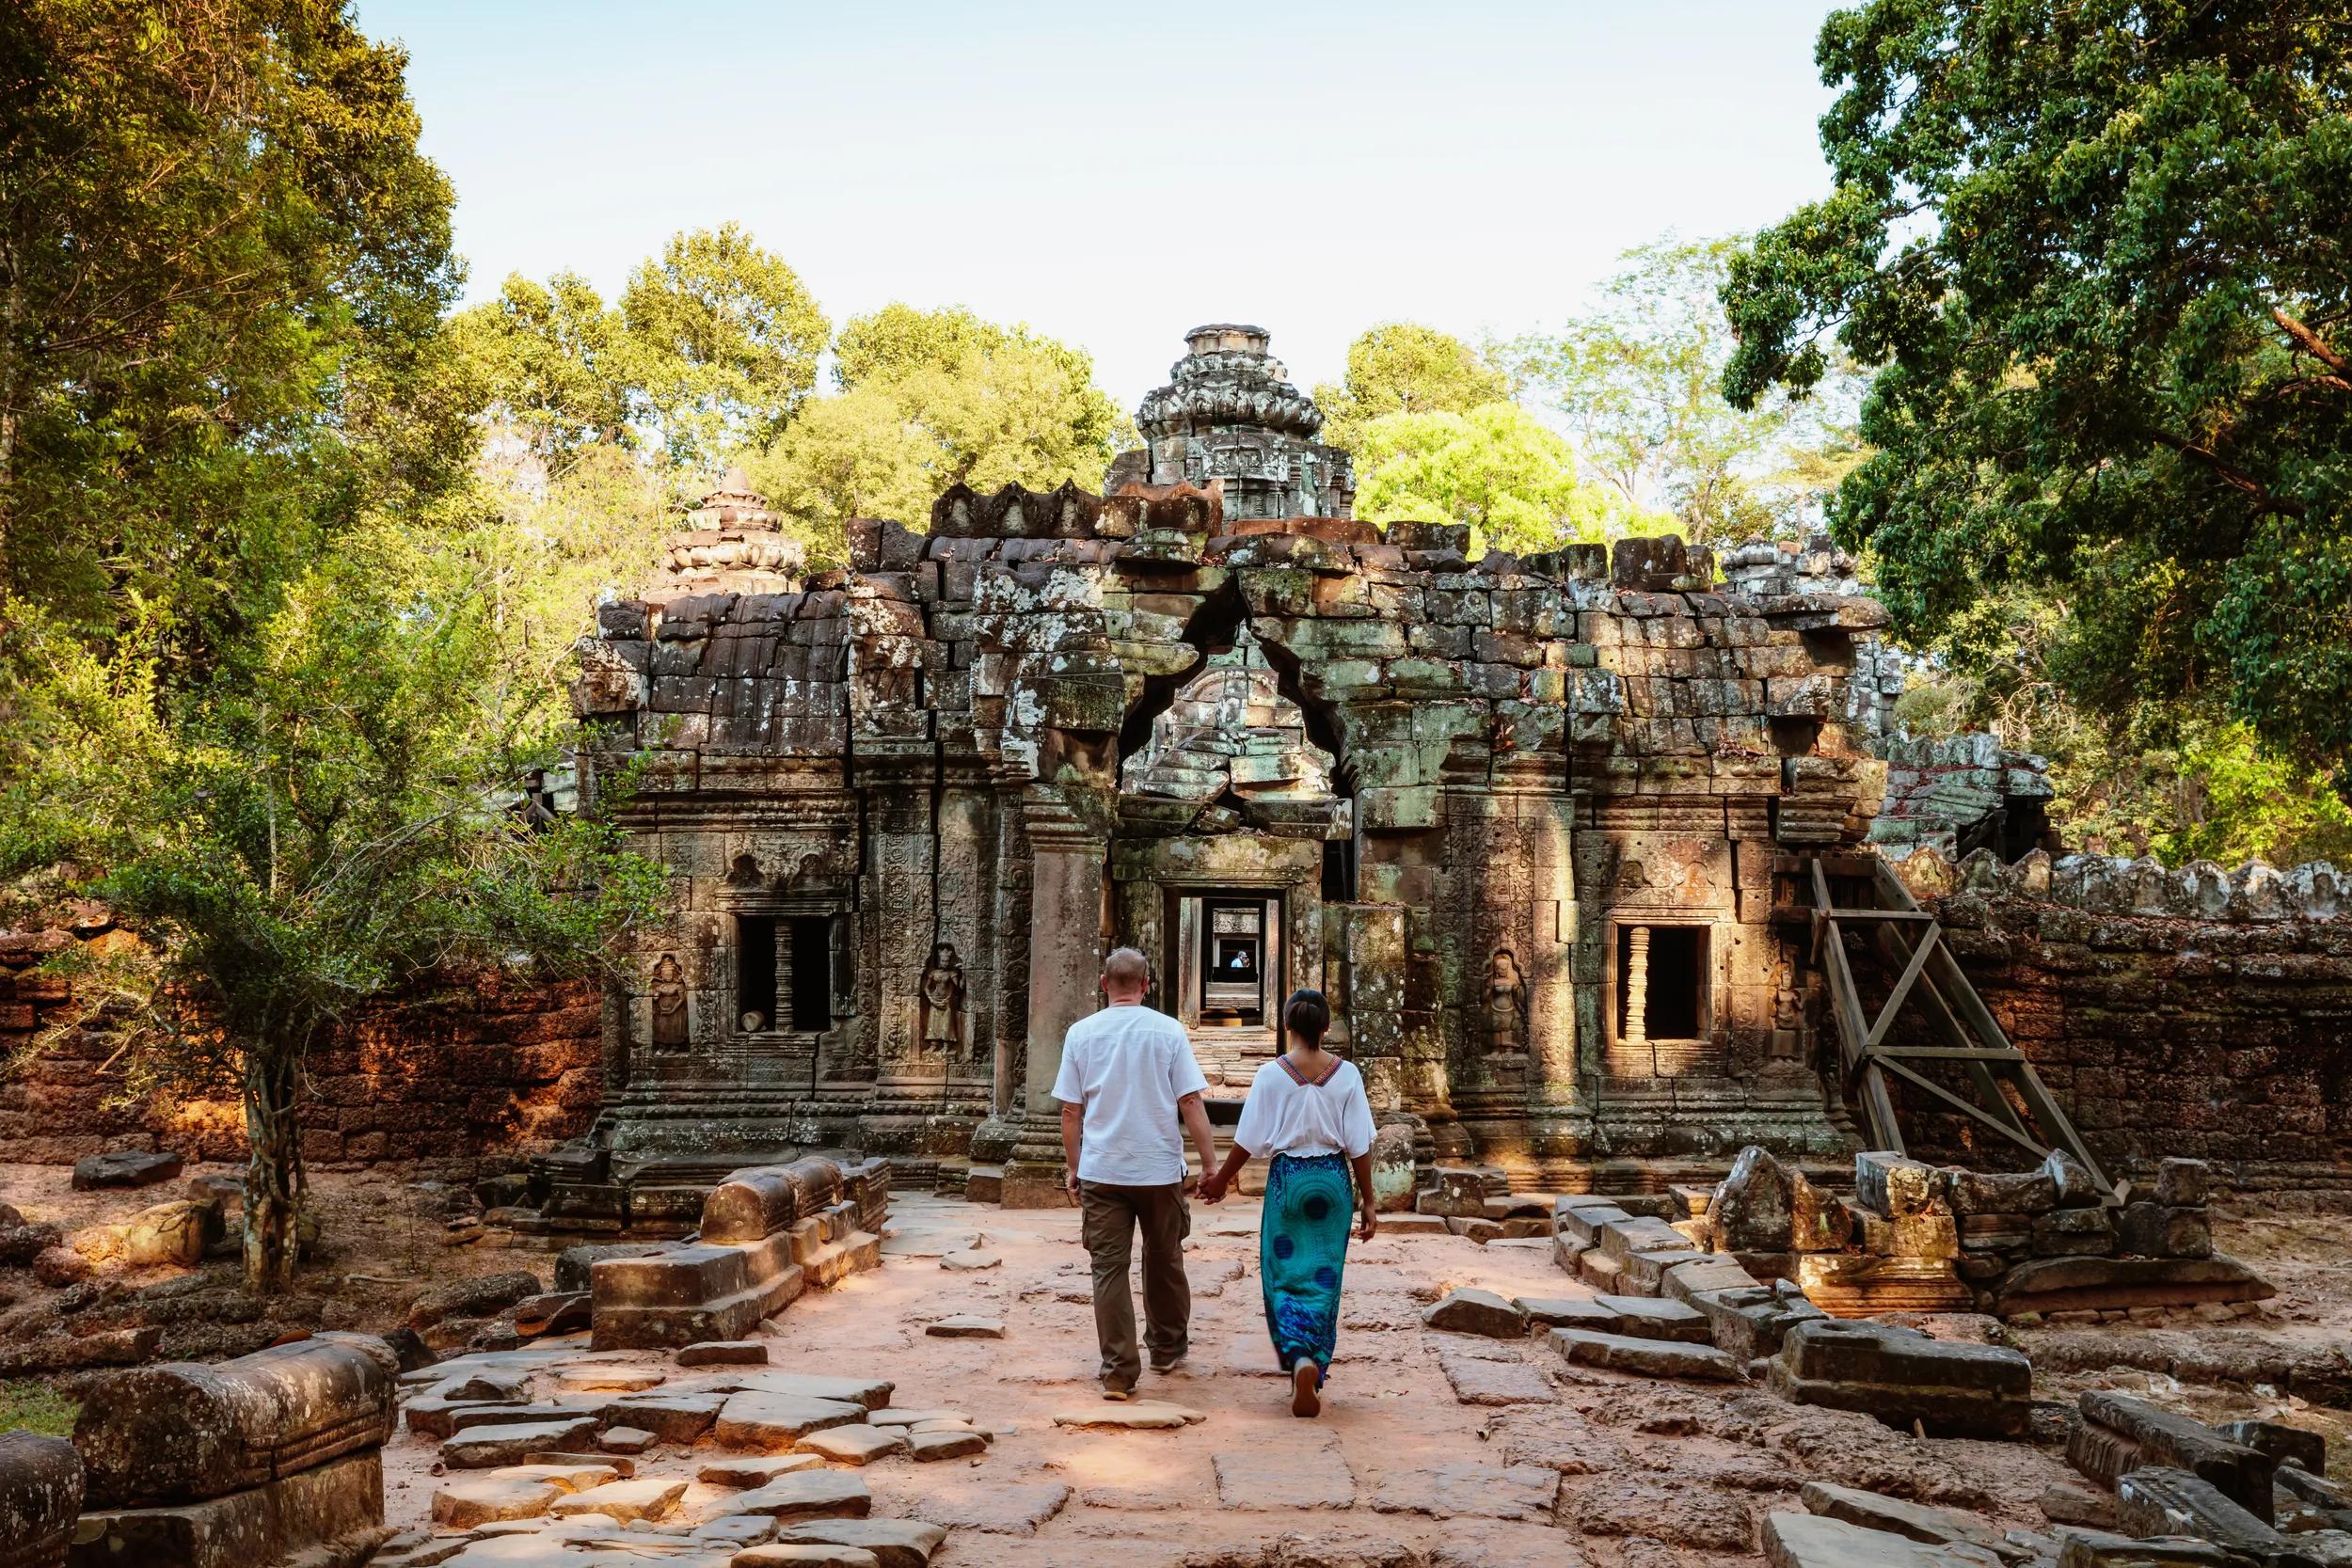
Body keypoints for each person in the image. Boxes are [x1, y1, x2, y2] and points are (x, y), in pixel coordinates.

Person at [1053, 947, 1223, 1401]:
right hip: (1159, 1169)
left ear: (1105, 984)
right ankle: (1166, 1350)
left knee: (1108, 1269)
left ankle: (1118, 1371)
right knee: (1165, 1258)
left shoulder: (1081, 1033)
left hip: (1103, 1170)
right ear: (1147, 986)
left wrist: (1074, 1167)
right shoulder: (1167, 1031)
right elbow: (1190, 1102)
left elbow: (1071, 1110)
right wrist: (1210, 1165)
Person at [1199, 988, 1376, 1417]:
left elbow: (1249, 1138)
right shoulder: (1347, 1074)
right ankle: (1314, 1362)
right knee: (1324, 1275)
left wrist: (1221, 1179)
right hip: (1332, 1184)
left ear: (1287, 1027)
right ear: (1326, 1028)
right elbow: (1359, 1145)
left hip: (1287, 1183)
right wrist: (1368, 1200)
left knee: (1282, 1272)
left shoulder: (1272, 1074)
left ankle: (1297, 1356)